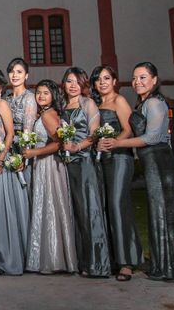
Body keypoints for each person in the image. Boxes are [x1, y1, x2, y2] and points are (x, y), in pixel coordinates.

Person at [101, 62, 174, 283]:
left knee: (164, 212)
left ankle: (171, 268)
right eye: (134, 78)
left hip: (159, 160)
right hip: (150, 161)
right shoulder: (143, 103)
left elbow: (153, 137)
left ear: (154, 80)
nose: (137, 82)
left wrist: (118, 143)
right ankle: (161, 265)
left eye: (143, 78)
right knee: (156, 212)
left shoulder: (156, 103)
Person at [90, 65, 143, 282]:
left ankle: (127, 262)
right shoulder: (96, 104)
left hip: (121, 157)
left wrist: (116, 142)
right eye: (98, 79)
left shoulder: (119, 101)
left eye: (106, 78)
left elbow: (129, 128)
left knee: (118, 205)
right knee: (105, 206)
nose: (102, 82)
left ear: (114, 81)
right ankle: (112, 257)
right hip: (103, 160)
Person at [61, 67, 111, 277]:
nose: (72, 85)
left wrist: (77, 147)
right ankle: (81, 260)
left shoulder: (88, 103)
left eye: (76, 81)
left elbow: (94, 134)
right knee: (75, 212)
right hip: (66, 164)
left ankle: (98, 264)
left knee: (90, 209)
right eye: (68, 81)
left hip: (84, 162)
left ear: (83, 84)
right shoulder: (62, 106)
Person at [24, 79, 77, 274]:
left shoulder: (48, 115)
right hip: (47, 163)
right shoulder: (47, 113)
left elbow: (59, 143)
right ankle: (53, 256)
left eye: (46, 93)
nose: (41, 96)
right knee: (48, 206)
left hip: (49, 164)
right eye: (38, 93)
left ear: (53, 95)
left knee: (50, 205)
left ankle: (53, 259)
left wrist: (33, 153)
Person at [0, 68, 28, 275]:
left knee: (2, 206)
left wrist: (1, 158)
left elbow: (10, 134)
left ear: (0, 88)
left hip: (0, 158)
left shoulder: (2, 104)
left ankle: (8, 256)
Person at [6, 57, 38, 184]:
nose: (15, 75)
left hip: (22, 148)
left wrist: (24, 157)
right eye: (12, 71)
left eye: (19, 72)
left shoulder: (29, 97)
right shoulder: (6, 98)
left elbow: (28, 131)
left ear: (26, 76)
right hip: (7, 146)